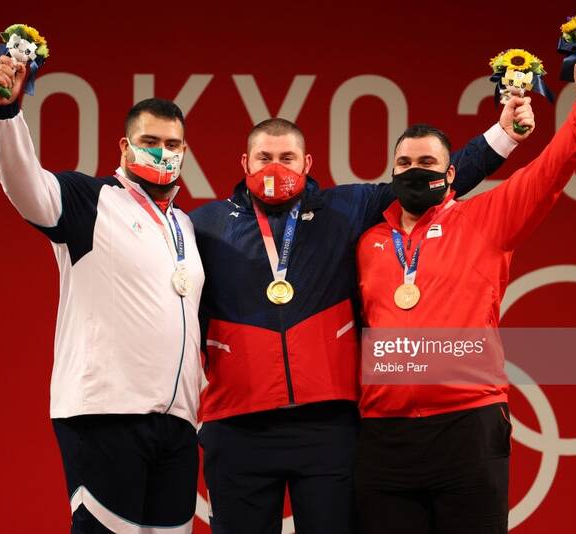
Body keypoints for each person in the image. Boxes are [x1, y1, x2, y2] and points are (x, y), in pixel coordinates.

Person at [190, 94, 535, 532]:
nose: (275, 168)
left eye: (287, 158)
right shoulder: (204, 225)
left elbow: (429, 182)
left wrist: (504, 135)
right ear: (245, 162)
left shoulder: (344, 209)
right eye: (264, 158)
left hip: (327, 425)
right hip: (238, 423)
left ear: (307, 163)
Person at [354, 56, 576, 533]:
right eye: (404, 164)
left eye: (427, 163)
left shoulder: (484, 220)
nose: (414, 172)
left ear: (452, 174)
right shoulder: (367, 240)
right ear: (391, 173)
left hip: (467, 425)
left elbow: (551, 170)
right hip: (383, 434)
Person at [0, 55, 204, 533]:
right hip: (106, 414)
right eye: (150, 142)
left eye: (172, 145)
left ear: (185, 151)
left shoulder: (185, 226)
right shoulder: (90, 200)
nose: (162, 153)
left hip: (177, 425)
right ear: (125, 146)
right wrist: (5, 114)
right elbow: (26, 184)